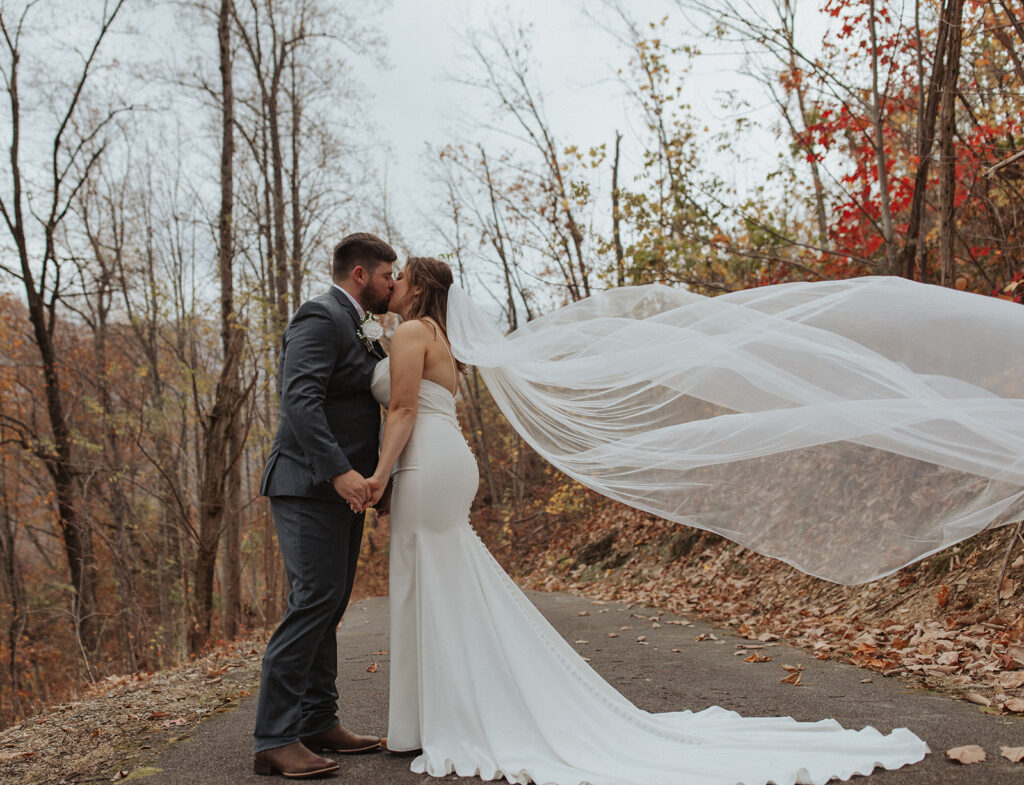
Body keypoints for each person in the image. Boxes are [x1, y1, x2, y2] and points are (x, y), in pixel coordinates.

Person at [365, 256, 929, 785]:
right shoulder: (440, 340)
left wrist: (378, 477)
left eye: (402, 276)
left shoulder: (413, 332)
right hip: (443, 461)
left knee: (429, 583)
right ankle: (442, 715)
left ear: (420, 288)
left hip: (426, 462)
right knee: (443, 583)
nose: (394, 283)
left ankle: (441, 718)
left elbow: (405, 409)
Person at [253, 232, 396, 778]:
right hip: (308, 484)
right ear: (360, 274)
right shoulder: (319, 316)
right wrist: (339, 471)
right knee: (313, 601)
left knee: (329, 603)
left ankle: (317, 719)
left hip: (343, 489)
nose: (392, 284)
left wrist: (374, 478)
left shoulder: (359, 325)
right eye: (387, 275)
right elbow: (300, 400)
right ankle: (274, 738)